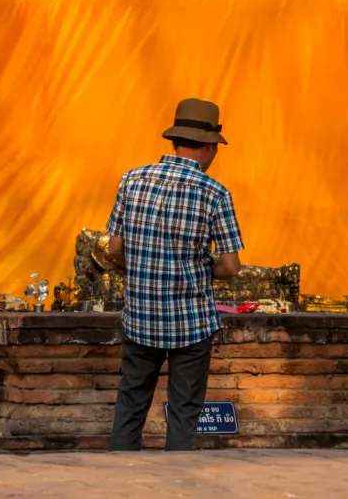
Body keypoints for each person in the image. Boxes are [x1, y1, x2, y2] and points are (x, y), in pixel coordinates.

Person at [106, 97, 244, 451]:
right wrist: (197, 270)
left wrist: (142, 270)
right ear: (211, 146)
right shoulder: (214, 193)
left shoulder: (131, 180)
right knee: (184, 410)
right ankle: (176, 482)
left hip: (140, 315)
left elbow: (114, 249)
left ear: (175, 139)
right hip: (191, 320)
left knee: (131, 401)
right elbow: (230, 267)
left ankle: (117, 477)